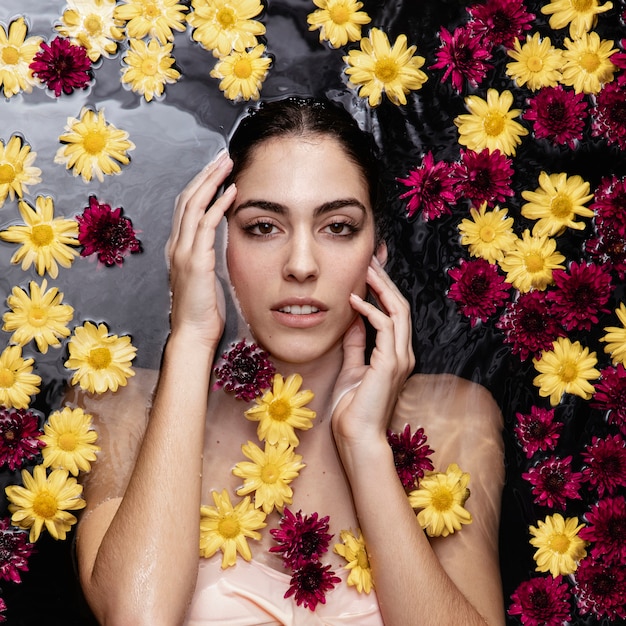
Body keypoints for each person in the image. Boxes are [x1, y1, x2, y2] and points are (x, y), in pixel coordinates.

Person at [71, 97, 505, 625]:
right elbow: (137, 618)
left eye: (338, 227)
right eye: (262, 227)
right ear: (214, 248)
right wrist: (189, 336)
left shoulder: (455, 418)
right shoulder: (120, 407)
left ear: (378, 255)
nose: (301, 265)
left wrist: (365, 447)